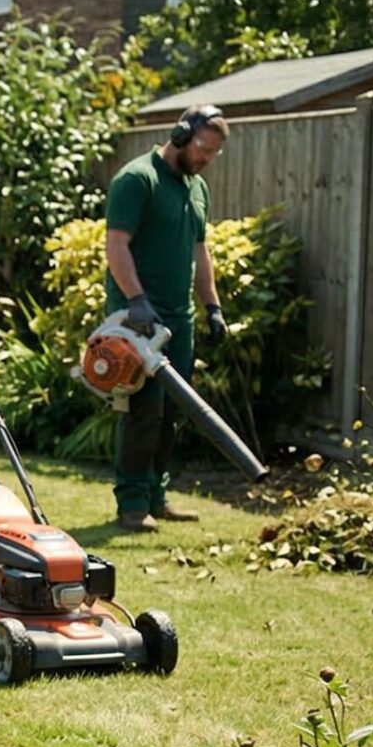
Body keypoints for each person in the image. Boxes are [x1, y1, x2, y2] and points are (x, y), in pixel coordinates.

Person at [103, 104, 229, 532]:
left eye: (213, 153)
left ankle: (156, 496)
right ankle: (132, 502)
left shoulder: (197, 188)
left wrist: (212, 306)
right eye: (202, 148)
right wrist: (136, 300)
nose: (206, 159)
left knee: (174, 410)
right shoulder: (138, 179)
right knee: (143, 410)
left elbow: (199, 251)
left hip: (178, 319)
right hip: (137, 320)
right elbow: (117, 245)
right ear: (181, 135)